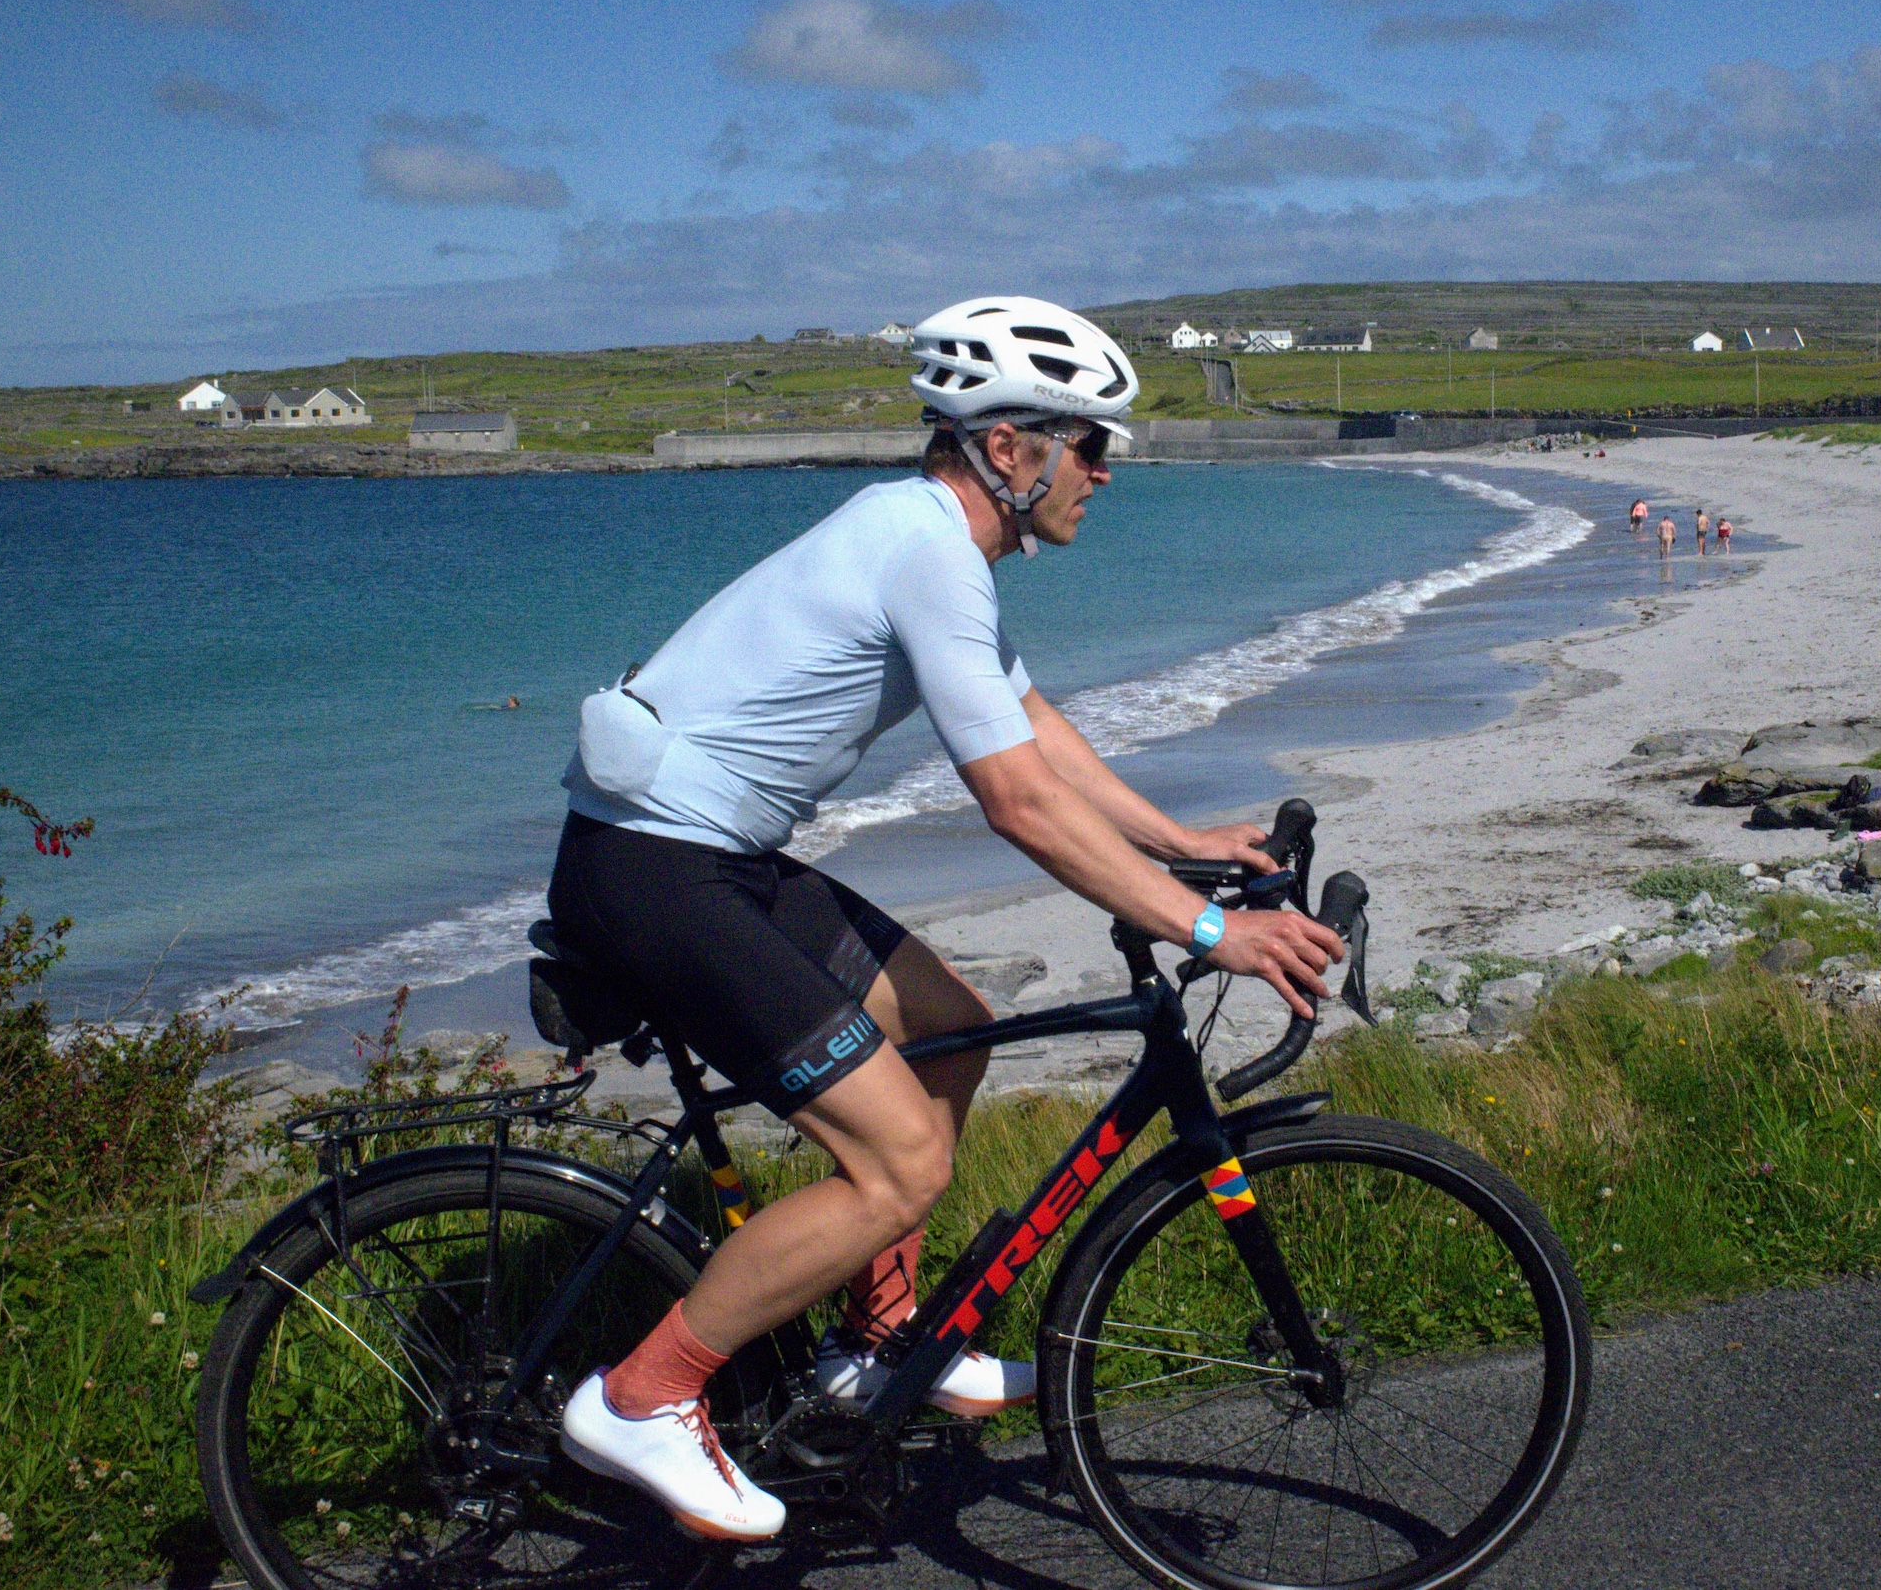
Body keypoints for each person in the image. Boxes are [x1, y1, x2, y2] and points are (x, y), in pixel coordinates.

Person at [547, 296, 1345, 1541]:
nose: (1106, 473)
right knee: (903, 1158)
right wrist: (1207, 931)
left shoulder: (933, 544)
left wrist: (1183, 842)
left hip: (717, 858)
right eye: (1093, 445)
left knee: (954, 1030)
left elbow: (1033, 727)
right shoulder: (923, 548)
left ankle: (876, 1344)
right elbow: (1018, 801)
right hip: (655, 872)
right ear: (1009, 448)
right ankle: (645, 1395)